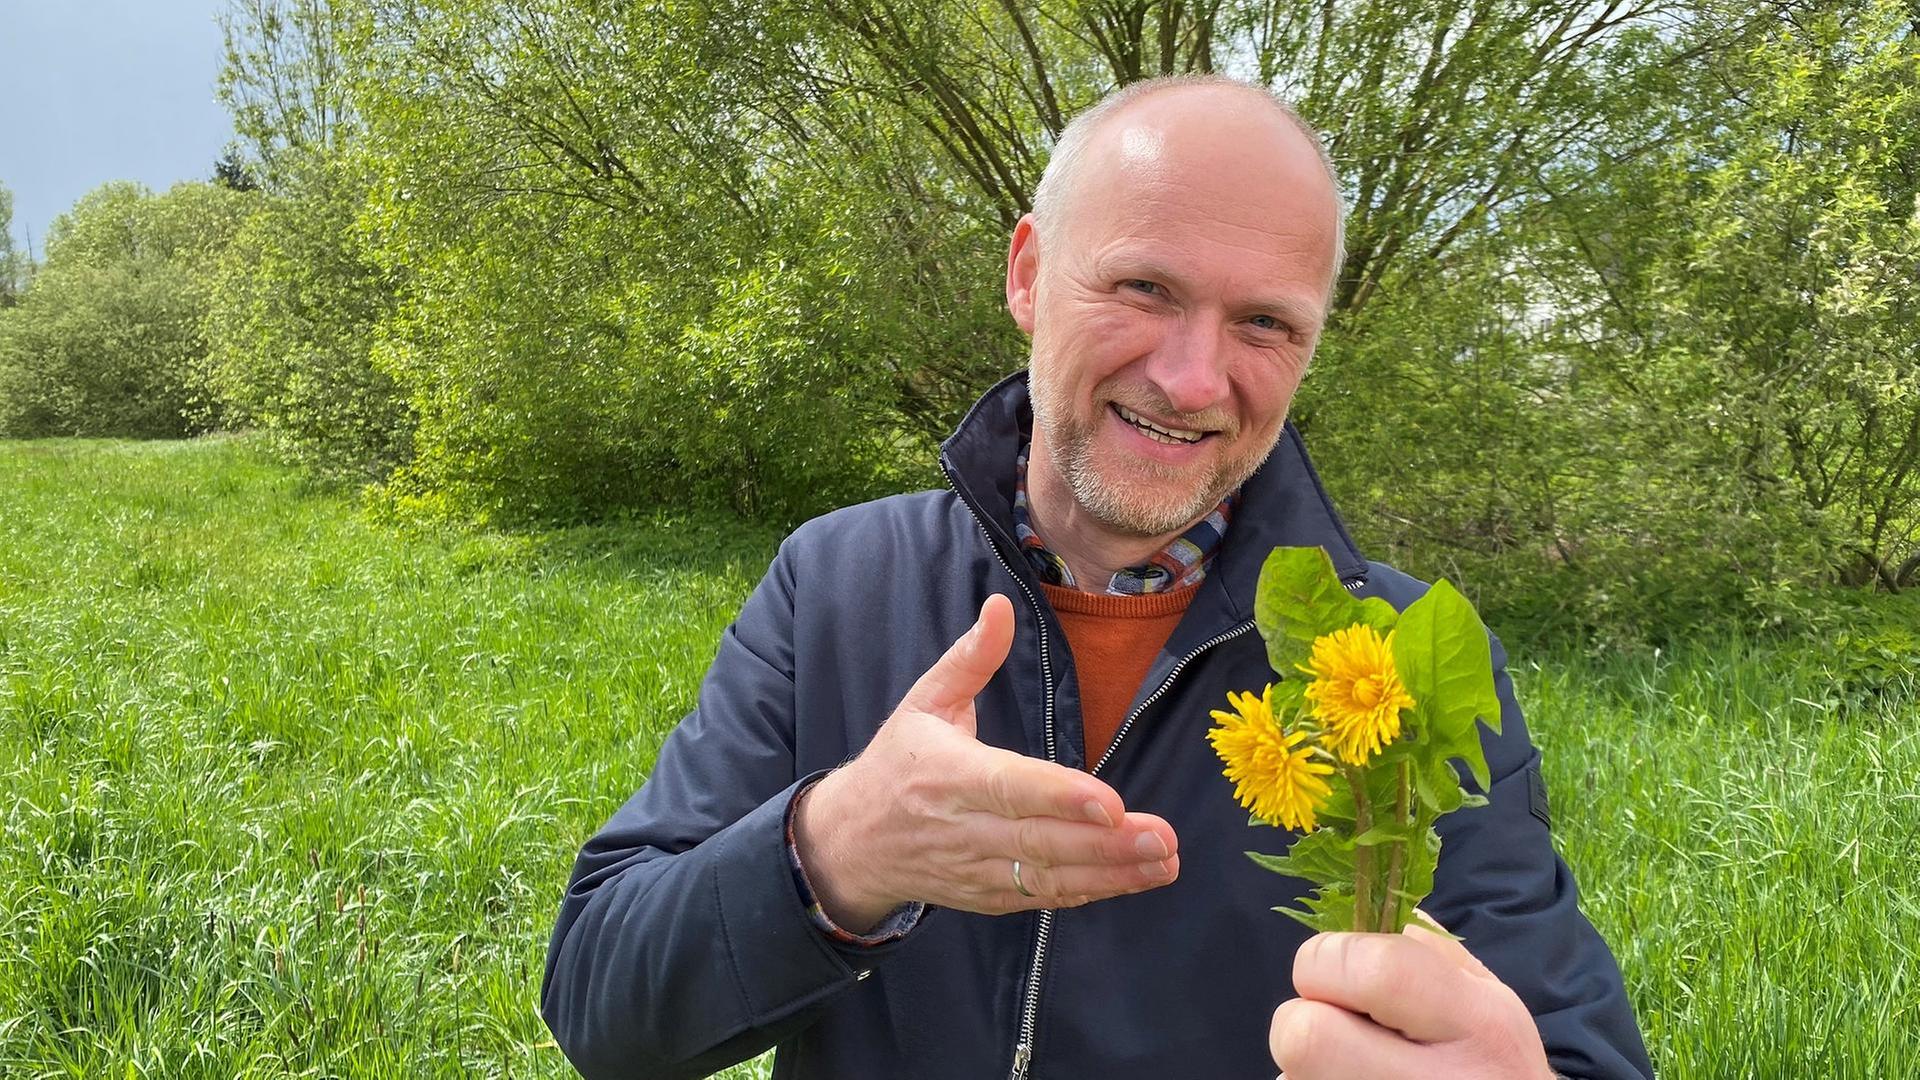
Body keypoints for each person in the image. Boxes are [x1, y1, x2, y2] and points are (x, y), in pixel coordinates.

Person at [541, 75, 1654, 1080]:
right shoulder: (836, 581)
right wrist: (837, 848)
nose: (1190, 377)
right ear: (1028, 275)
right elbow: (602, 1008)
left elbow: (1572, 1046)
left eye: (1264, 322)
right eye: (1144, 288)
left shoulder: (1401, 659)